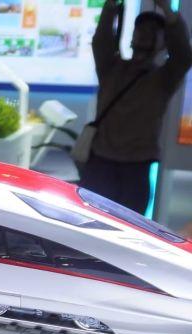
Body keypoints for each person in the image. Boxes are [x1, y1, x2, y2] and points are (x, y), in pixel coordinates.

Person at [79, 0, 192, 213]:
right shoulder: (111, 68)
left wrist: (167, 10)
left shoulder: (164, 78)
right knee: (90, 219)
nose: (145, 34)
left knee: (127, 225)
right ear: (132, 36)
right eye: (141, 29)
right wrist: (111, 6)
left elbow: (184, 55)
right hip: (101, 162)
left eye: (153, 31)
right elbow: (102, 41)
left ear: (164, 43)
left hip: (135, 167)